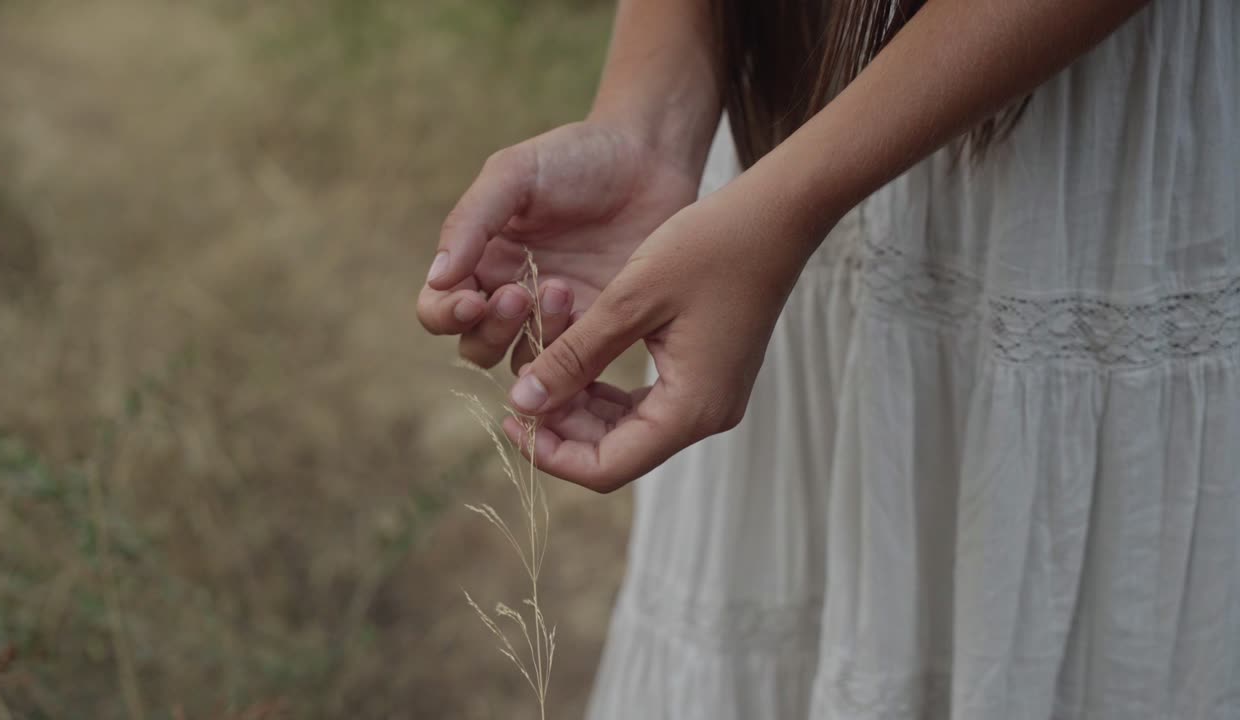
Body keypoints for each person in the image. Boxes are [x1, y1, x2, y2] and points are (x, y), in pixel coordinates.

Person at [418, 0, 1240, 716]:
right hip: (780, 164)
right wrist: (647, 125)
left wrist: (791, 201)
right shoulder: (749, 230)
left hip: (1077, 172)